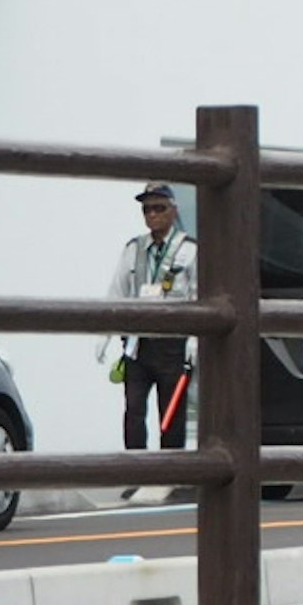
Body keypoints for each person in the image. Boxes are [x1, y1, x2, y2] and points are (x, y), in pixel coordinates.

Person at [100, 184, 198, 491]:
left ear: (173, 211)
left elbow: (199, 296)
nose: (152, 215)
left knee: (171, 412)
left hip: (173, 341)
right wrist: (104, 335)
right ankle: (136, 473)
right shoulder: (134, 249)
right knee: (134, 409)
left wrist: (195, 340)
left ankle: (172, 473)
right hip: (137, 343)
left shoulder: (189, 250)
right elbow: (117, 292)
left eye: (158, 208)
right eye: (146, 209)